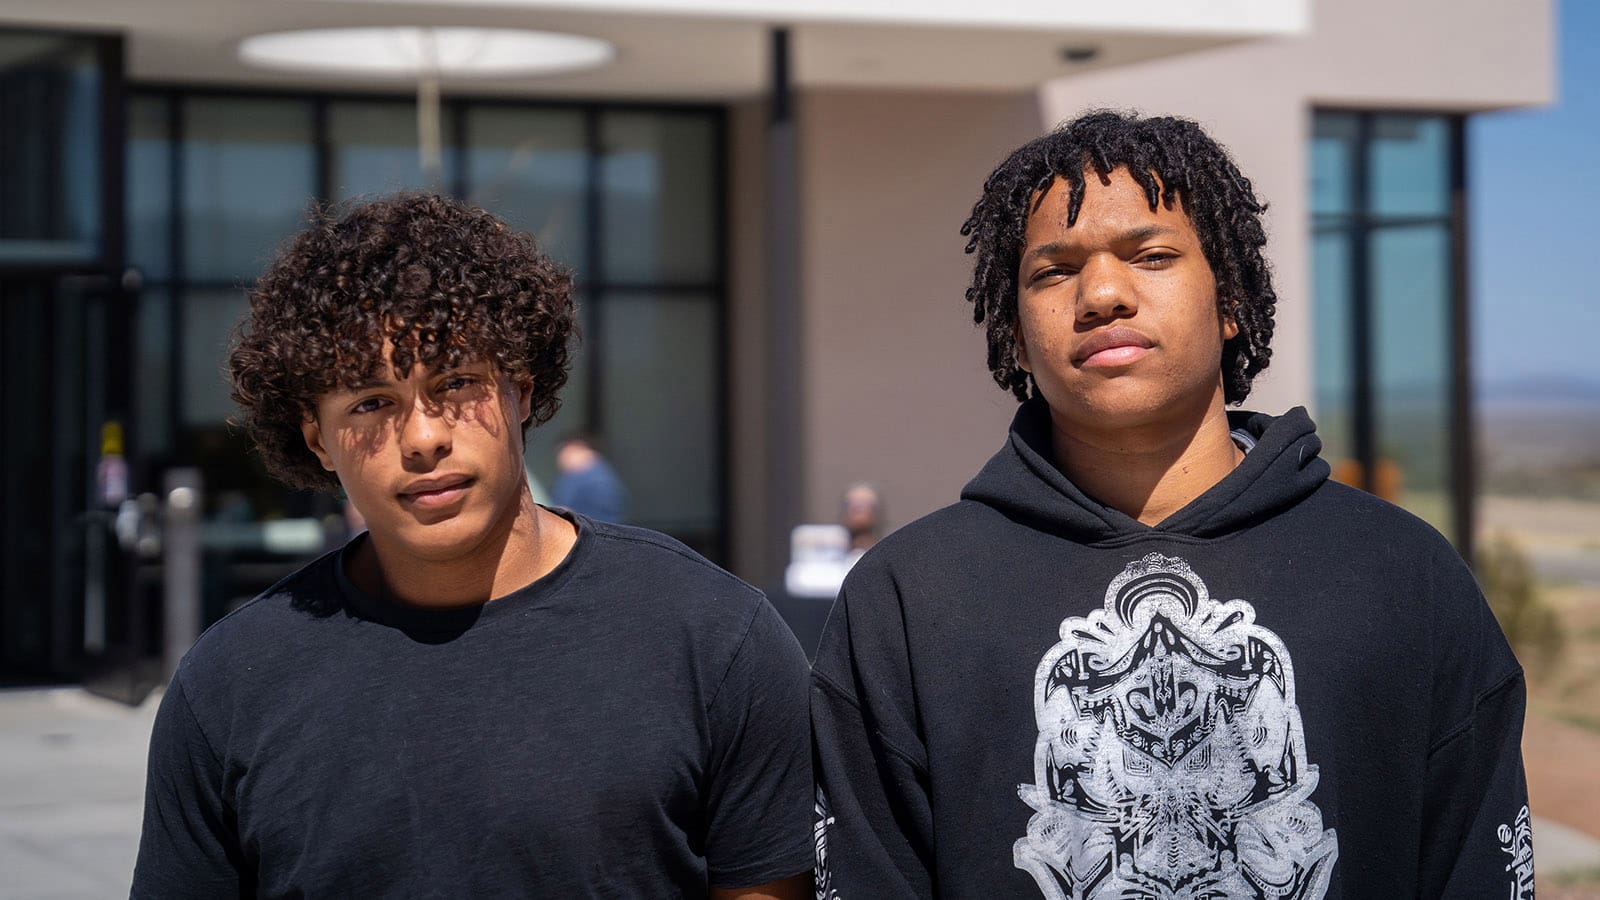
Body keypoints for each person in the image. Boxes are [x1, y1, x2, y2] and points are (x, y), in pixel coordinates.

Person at [810, 111, 1531, 899]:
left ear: (1230, 300)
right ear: (1015, 335)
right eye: (1053, 271)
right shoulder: (910, 600)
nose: (1103, 294)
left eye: (1151, 256)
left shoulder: (1402, 575)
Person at [132, 194, 813, 899]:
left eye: (456, 383)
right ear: (317, 440)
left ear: (519, 391)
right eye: (370, 402)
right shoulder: (231, 683)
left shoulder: (713, 638)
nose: (423, 437)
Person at [552, 432, 628, 522]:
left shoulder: (594, 479)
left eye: (562, 451)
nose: (560, 458)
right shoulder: (577, 476)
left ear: (576, 447)